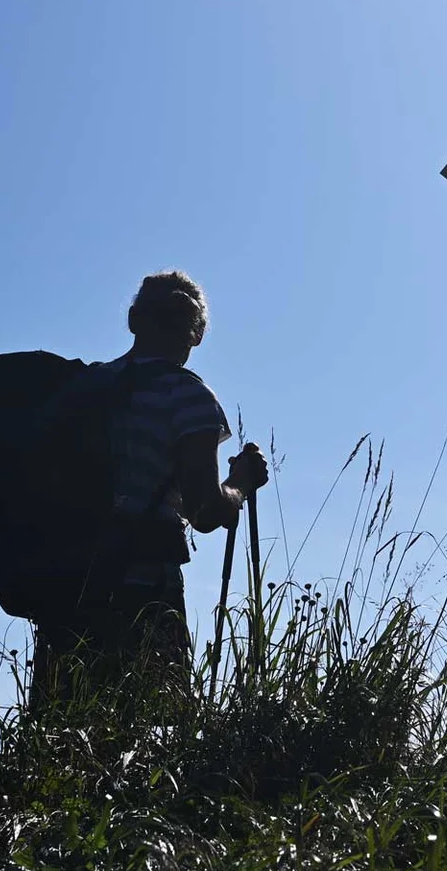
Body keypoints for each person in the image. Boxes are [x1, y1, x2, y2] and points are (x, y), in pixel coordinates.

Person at [27, 271, 267, 707]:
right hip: (143, 591)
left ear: (135, 320)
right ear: (196, 336)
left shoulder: (84, 389)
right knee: (148, 740)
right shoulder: (187, 396)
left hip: (65, 591)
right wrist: (240, 484)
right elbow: (206, 511)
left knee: (60, 737)